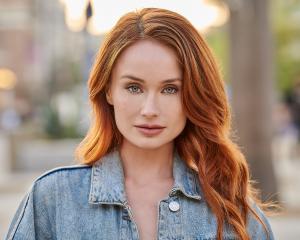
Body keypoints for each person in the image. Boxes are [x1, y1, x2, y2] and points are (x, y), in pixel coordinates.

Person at [5, 7, 275, 240]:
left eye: (170, 89)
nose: (150, 110)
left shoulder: (233, 211)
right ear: (108, 90)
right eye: (134, 87)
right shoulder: (53, 199)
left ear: (193, 96)